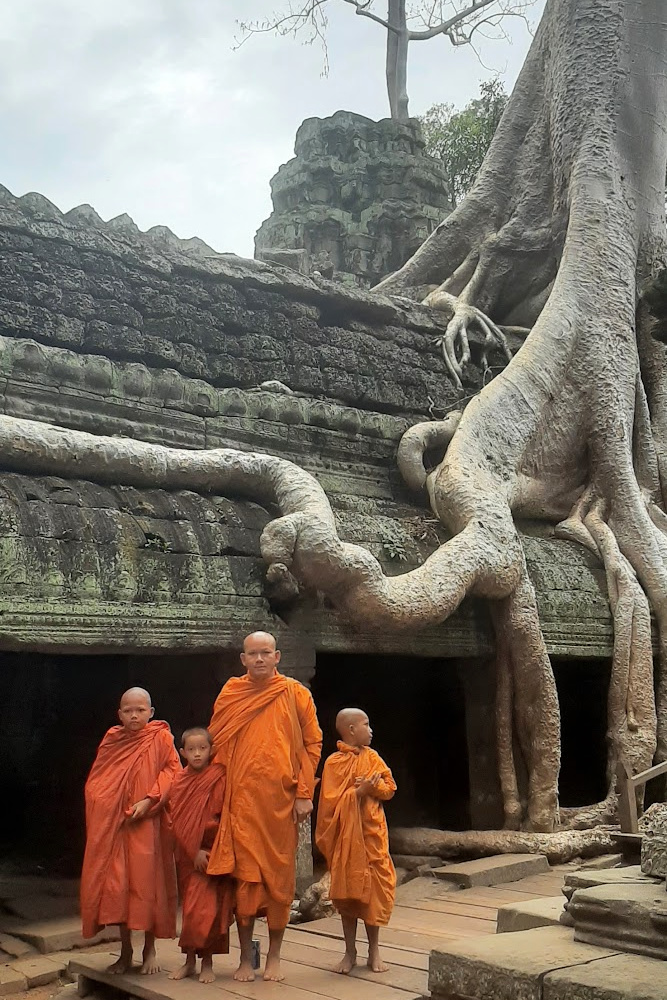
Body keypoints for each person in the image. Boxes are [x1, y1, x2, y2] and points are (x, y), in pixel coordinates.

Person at [207, 631, 322, 983]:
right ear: (242, 659)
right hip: (240, 803)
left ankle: (273, 957)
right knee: (245, 880)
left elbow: (313, 743)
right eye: (252, 654)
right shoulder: (231, 693)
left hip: (280, 803)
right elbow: (217, 745)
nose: (259, 659)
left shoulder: (295, 693)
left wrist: (304, 792)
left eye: (265, 653)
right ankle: (245, 958)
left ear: (277, 657)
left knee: (279, 882)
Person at [80, 687, 180, 975]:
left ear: (151, 712)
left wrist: (148, 801)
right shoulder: (113, 740)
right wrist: (111, 807)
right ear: (119, 714)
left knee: (146, 886)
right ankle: (125, 953)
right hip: (118, 827)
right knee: (119, 889)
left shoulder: (161, 737)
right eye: (128, 710)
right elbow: (96, 783)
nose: (134, 715)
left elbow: (173, 773)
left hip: (149, 825)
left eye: (140, 710)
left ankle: (149, 950)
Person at [316, 708, 397, 976]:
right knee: (348, 893)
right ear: (351, 730)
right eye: (366, 724)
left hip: (372, 835)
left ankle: (374, 950)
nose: (371, 730)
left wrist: (373, 789)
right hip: (347, 841)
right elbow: (329, 805)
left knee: (373, 891)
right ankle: (350, 951)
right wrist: (357, 792)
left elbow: (390, 789)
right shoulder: (333, 763)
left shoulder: (372, 757)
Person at [168, 727, 234, 984]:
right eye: (191, 750)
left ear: (212, 750)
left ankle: (207, 962)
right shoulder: (179, 781)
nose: (197, 754)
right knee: (191, 911)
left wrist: (216, 850)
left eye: (202, 749)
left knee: (210, 912)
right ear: (182, 752)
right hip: (189, 856)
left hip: (214, 853)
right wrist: (193, 851)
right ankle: (189, 961)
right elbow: (177, 821)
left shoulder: (219, 776)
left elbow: (226, 814)